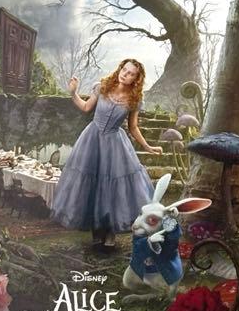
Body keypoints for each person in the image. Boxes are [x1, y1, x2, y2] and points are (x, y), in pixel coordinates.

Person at [51, 58, 162, 250]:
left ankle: (110, 231)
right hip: (92, 140)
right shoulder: (102, 87)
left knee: (112, 187)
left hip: (114, 144)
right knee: (92, 184)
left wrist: (147, 146)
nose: (125, 74)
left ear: (136, 79)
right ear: (120, 69)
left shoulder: (135, 99)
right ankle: (96, 230)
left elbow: (133, 127)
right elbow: (86, 107)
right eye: (124, 70)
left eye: (131, 74)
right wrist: (73, 93)